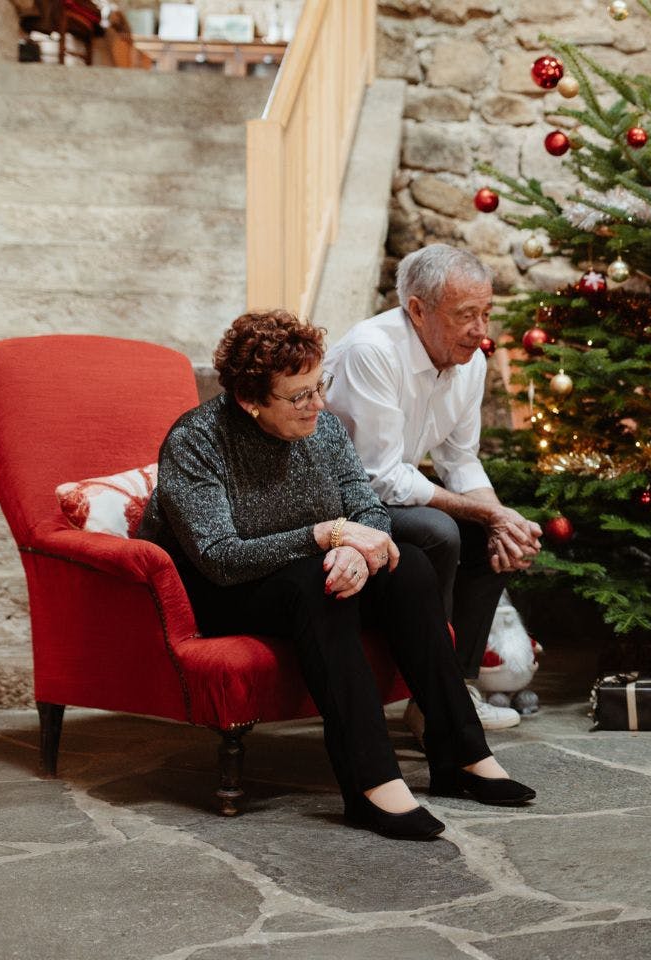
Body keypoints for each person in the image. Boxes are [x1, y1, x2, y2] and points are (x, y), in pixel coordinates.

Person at [139, 311, 535, 841]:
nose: (318, 404)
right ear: (249, 400)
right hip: (223, 590)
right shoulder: (197, 441)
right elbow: (219, 556)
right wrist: (325, 536)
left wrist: (359, 550)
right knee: (318, 586)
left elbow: (367, 510)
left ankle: (459, 754)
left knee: (410, 565)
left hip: (311, 568)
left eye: (318, 385)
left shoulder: (321, 428)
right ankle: (370, 784)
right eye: (298, 395)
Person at [325, 244, 540, 734]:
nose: (481, 331)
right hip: (341, 501)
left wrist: (502, 521)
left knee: (493, 540)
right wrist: (488, 516)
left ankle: (450, 691)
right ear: (417, 310)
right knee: (440, 530)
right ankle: (430, 690)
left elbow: (460, 460)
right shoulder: (372, 351)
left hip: (390, 490)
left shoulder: (470, 362)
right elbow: (377, 476)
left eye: (486, 314)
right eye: (467, 315)